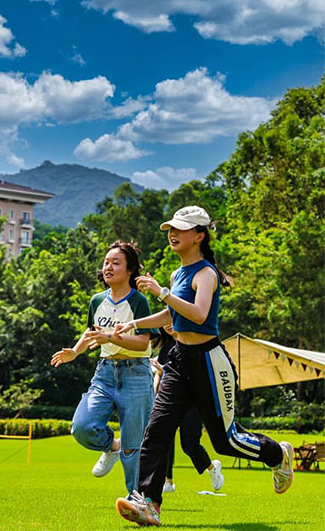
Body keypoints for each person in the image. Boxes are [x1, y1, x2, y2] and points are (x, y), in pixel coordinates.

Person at [113, 206, 294, 527]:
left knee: (226, 442)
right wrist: (135, 323)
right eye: (170, 228)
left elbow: (198, 314)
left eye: (180, 230)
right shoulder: (176, 273)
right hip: (179, 361)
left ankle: (277, 455)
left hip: (209, 361)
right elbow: (173, 316)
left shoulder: (206, 273)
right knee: (156, 431)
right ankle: (148, 503)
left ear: (199, 236)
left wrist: (161, 292)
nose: (172, 234)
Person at [50, 241, 157, 497]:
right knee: (83, 426)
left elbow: (143, 342)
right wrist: (75, 351)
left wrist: (111, 338)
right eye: (106, 262)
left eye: (115, 263)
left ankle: (137, 500)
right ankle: (111, 446)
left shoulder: (139, 301)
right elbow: (91, 332)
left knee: (135, 447)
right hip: (105, 373)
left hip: (136, 375)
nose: (108, 267)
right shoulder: (97, 300)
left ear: (130, 269)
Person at [152, 327, 224, 494]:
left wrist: (162, 370)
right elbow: (160, 374)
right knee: (165, 440)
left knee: (189, 444)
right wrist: (155, 395)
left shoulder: (194, 342)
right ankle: (167, 481)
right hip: (172, 399)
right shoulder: (166, 348)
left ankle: (212, 468)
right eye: (165, 323)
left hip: (193, 400)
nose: (168, 326)